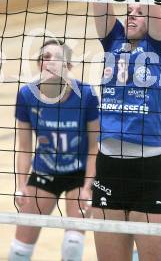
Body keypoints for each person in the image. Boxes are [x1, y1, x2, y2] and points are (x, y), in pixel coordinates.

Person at [68, 0, 161, 261]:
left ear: (154, 18)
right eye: (128, 10)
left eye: (139, 11)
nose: (131, 13)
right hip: (109, 168)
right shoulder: (112, 41)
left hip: (150, 170)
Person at [8, 39, 99, 261]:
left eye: (55, 57)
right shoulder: (27, 95)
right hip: (45, 171)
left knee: (73, 245)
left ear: (68, 66)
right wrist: (21, 186)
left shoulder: (85, 94)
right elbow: (24, 148)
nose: (48, 62)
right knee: (18, 251)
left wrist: (88, 186)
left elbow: (95, 147)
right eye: (44, 57)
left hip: (78, 175)